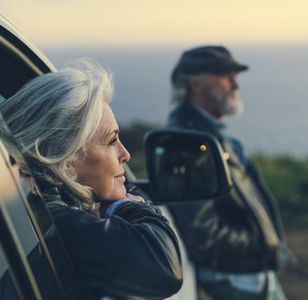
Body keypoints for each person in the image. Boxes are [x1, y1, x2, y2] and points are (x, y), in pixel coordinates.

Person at [0, 59, 182, 299]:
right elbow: (163, 266)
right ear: (65, 157)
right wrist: (128, 205)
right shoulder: (57, 224)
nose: (125, 155)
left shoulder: (29, 205)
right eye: (111, 141)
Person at [167, 45, 294, 300]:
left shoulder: (207, 133)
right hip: (237, 283)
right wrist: (260, 243)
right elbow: (201, 230)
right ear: (197, 85)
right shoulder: (187, 143)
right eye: (226, 77)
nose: (236, 85)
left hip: (249, 275)